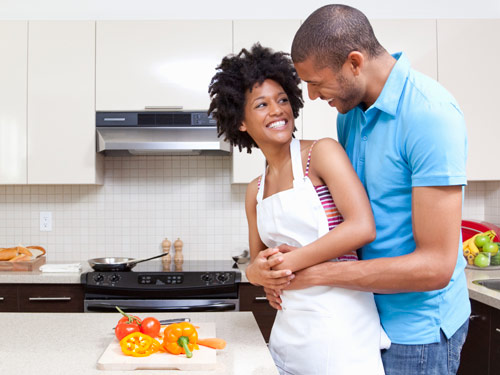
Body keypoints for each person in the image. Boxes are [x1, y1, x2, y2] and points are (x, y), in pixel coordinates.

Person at [257, 4, 470, 375]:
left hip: (417, 332)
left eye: (317, 82)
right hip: (363, 318)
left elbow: (436, 266)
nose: (311, 94)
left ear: (354, 62)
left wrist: (313, 272)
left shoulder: (429, 115)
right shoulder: (352, 114)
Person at [208, 43, 390, 375]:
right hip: (289, 335)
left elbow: (362, 227)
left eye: (282, 100)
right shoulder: (255, 190)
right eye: (261, 104)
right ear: (241, 122)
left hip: (341, 330)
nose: (277, 110)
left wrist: (288, 265)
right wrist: (259, 275)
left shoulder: (321, 154)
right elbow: (256, 264)